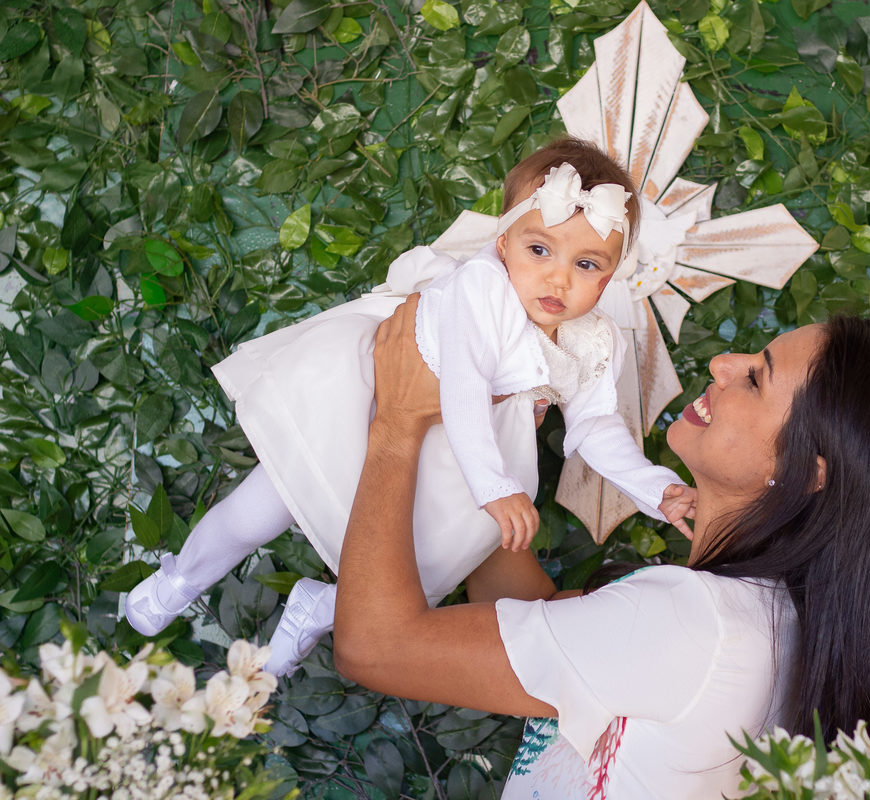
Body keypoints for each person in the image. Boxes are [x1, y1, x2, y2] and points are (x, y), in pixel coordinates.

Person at [334, 298, 870, 798]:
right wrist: (488, 445)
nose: (722, 364)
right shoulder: (766, 623)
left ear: (805, 472)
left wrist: (397, 427)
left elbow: (375, 647)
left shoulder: (693, 622)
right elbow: (539, 629)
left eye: (755, 378)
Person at [123, 138, 696, 676]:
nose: (558, 278)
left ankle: (319, 608)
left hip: (461, 455)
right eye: (539, 249)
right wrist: (494, 485)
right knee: (263, 508)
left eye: (587, 265)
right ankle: (182, 578)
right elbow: (464, 383)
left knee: (422, 569)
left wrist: (653, 487)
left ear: (611, 276)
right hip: (368, 404)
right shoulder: (483, 287)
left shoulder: (595, 340)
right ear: (503, 242)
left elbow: (596, 424)